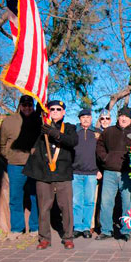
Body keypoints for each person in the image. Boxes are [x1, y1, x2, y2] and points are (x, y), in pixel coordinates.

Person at [23, 100, 78, 250]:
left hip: (62, 173)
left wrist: (54, 133)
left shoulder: (69, 127)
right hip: (44, 173)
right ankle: (44, 238)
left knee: (66, 207)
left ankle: (68, 237)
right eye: (52, 109)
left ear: (63, 112)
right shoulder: (40, 126)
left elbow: (73, 141)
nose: (54, 111)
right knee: (44, 207)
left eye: (58, 109)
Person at [0, 95, 41, 238]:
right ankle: (17, 228)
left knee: (36, 197)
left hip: (34, 164)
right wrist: (9, 156)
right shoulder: (9, 121)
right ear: (20, 105)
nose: (27, 107)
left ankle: (35, 227)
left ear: (33, 106)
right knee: (15, 197)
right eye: (24, 104)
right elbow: (1, 142)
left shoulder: (39, 121)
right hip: (16, 165)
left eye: (30, 105)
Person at [96, 106, 131, 241]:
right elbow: (99, 147)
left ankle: (126, 230)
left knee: (127, 203)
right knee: (106, 202)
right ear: (118, 117)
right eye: (121, 116)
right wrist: (105, 158)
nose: (124, 119)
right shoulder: (108, 131)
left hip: (127, 173)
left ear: (130, 118)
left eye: (126, 117)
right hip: (110, 172)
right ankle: (106, 230)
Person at [72, 109, 102, 239]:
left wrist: (99, 169)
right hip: (75, 172)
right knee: (76, 201)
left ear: (91, 119)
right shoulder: (74, 133)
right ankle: (77, 227)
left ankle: (86, 227)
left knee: (89, 201)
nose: (85, 119)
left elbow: (101, 153)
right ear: (79, 119)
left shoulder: (97, 133)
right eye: (83, 117)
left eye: (88, 117)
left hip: (91, 173)